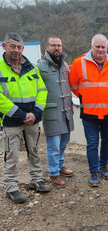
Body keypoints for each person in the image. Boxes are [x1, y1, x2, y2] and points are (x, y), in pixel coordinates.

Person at [0, 33, 50, 204]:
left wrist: (36, 112)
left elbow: (42, 91)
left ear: (23, 48)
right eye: (12, 46)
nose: (16, 50)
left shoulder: (32, 68)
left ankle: (36, 180)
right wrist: (21, 115)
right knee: (11, 154)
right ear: (4, 46)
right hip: (12, 121)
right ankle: (11, 188)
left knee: (34, 150)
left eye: (19, 47)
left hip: (32, 119)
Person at [69, 34, 108, 187]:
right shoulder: (79, 62)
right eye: (97, 46)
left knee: (107, 140)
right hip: (89, 112)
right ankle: (94, 171)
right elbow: (73, 85)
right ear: (91, 46)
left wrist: (107, 96)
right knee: (92, 143)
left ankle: (104, 165)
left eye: (103, 47)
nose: (100, 49)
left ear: (107, 48)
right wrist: (86, 97)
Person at [37, 36, 74, 188]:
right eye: (53, 45)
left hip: (66, 110)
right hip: (51, 111)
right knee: (53, 145)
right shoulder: (40, 65)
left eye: (59, 45)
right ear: (47, 47)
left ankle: (60, 165)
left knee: (64, 142)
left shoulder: (64, 65)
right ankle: (53, 173)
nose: (57, 48)